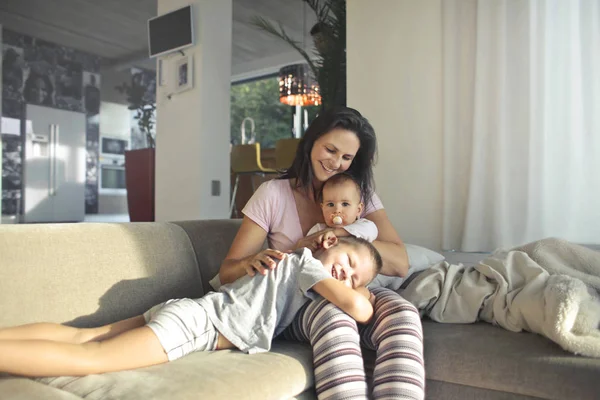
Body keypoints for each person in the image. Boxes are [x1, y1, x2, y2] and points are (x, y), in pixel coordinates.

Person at [220, 107, 426, 400]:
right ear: (311, 141)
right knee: (334, 315)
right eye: (330, 149)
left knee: (403, 313)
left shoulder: (358, 196)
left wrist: (341, 233)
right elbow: (228, 271)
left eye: (347, 158)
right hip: (301, 300)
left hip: (355, 290)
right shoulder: (272, 194)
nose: (336, 163)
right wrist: (293, 250)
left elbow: (399, 263)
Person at [0, 237, 381, 377]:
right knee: (92, 359)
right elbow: (359, 311)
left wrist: (354, 287)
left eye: (354, 277)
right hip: (198, 326)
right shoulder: (307, 264)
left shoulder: (297, 268)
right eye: (348, 260)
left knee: (84, 336)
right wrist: (363, 294)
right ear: (331, 242)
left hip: (190, 311)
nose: (345, 275)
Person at [306, 172, 379, 245]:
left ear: (358, 210)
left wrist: (337, 232)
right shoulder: (319, 230)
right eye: (330, 204)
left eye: (345, 204)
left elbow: (372, 231)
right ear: (322, 208)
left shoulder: (363, 225)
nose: (337, 210)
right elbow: (305, 248)